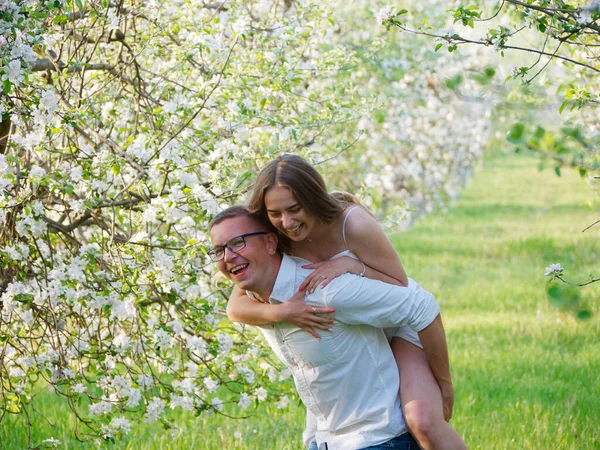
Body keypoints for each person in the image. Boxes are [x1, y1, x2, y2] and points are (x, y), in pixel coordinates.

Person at [226, 155, 467, 450]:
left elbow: (400, 285)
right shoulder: (279, 236)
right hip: (351, 328)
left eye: (294, 209)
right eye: (275, 213)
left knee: (422, 421)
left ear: (312, 198)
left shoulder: (352, 223)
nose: (286, 222)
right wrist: (284, 310)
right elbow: (236, 306)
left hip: (395, 319)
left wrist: (352, 267)